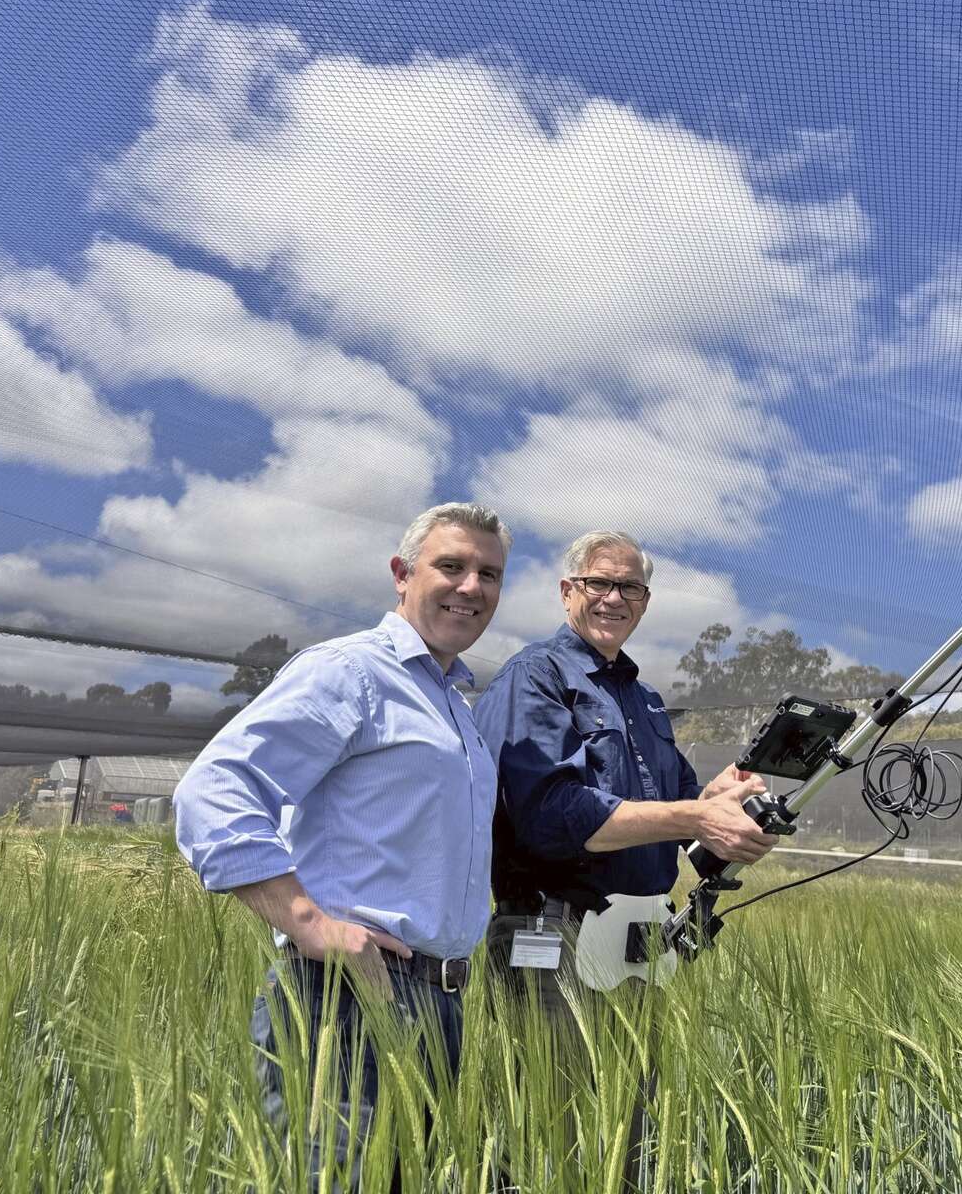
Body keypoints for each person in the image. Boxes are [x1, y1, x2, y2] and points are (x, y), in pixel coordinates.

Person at [173, 502, 510, 1188]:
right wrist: (310, 923)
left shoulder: (456, 706)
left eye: (490, 574)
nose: (471, 587)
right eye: (452, 566)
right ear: (401, 573)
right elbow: (213, 792)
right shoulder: (352, 673)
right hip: (347, 1001)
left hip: (438, 1003)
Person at [473, 529, 777, 1182]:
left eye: (629, 587)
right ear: (567, 592)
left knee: (626, 1136)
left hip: (636, 940)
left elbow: (683, 815)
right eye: (598, 583)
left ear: (645, 600)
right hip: (552, 933)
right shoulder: (536, 676)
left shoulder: (643, 699)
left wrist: (725, 803)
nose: (614, 598)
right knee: (550, 1137)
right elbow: (548, 818)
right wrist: (696, 814)